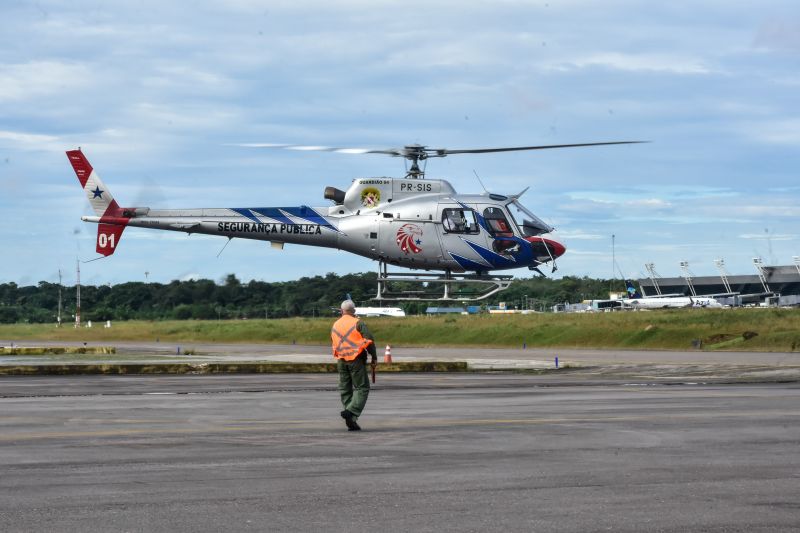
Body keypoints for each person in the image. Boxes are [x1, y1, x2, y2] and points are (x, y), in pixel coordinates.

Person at [330, 299, 377, 431]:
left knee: (345, 389)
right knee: (362, 387)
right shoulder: (358, 323)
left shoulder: (335, 324)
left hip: (341, 360)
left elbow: (333, 341)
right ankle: (351, 411)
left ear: (341, 311)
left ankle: (351, 418)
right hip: (356, 359)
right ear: (354, 311)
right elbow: (369, 340)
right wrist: (374, 357)